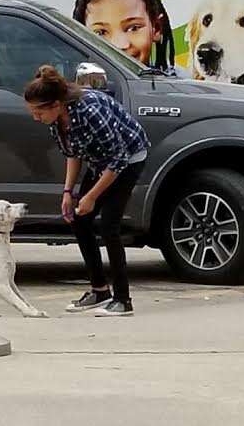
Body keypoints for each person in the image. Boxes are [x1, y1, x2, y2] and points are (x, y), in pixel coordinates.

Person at [24, 65, 150, 316]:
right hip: (99, 160)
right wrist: (68, 193)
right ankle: (99, 290)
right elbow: (73, 154)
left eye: (38, 111)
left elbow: (118, 159)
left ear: (56, 104)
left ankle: (123, 299)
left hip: (128, 159)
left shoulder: (89, 111)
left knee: (109, 226)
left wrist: (91, 197)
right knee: (80, 221)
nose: (35, 117)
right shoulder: (56, 121)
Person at [73, 0, 184, 76]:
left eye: (133, 28)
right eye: (100, 33)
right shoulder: (68, 91)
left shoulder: (184, 88)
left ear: (156, 28)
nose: (119, 45)